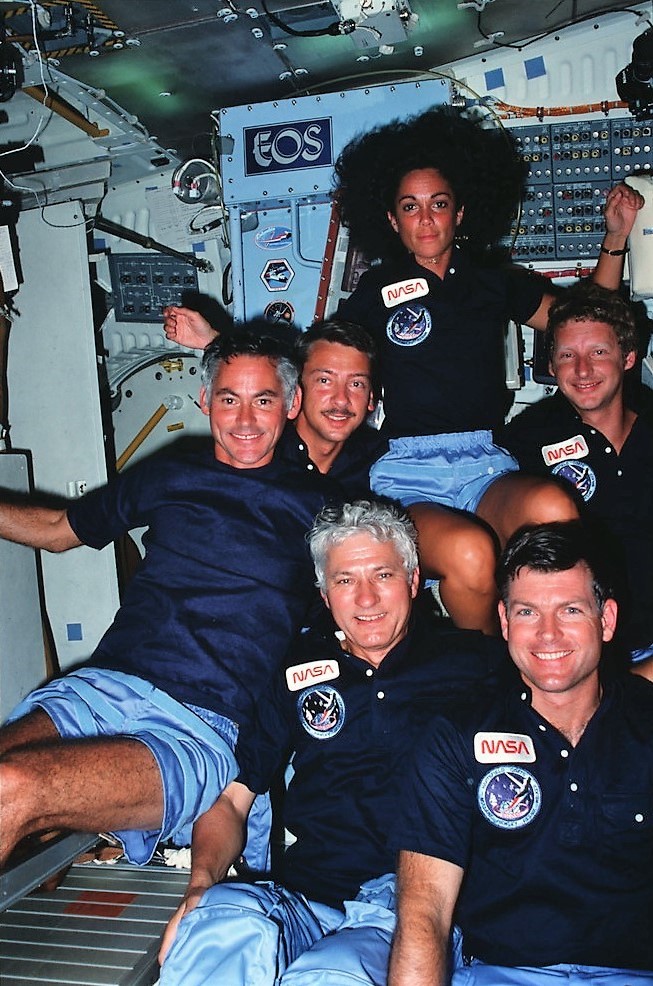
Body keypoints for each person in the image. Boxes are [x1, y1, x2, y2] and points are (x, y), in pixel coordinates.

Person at [0, 326, 329, 871]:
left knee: (13, 786)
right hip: (104, 686)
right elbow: (60, 529)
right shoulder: (174, 471)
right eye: (229, 399)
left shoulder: (320, 508)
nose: (245, 420)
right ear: (205, 401)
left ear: (291, 405)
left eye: (263, 400)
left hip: (200, 723)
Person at [157, 499, 506, 986]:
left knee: (332, 973)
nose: (365, 599)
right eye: (345, 580)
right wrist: (200, 886)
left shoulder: (477, 663)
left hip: (414, 907)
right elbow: (233, 801)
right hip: (304, 899)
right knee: (217, 928)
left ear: (412, 580)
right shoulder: (295, 670)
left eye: (382, 575)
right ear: (324, 594)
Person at [334, 106, 644, 635]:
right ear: (392, 221)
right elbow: (321, 361)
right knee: (472, 554)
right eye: (410, 207)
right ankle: (491, 680)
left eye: (439, 205)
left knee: (552, 507)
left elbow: (583, 323)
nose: (426, 219)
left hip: (485, 462)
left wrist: (614, 237)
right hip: (409, 471)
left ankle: (558, 643)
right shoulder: (375, 294)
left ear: (460, 213)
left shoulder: (492, 283)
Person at [388, 521, 653, 986]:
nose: (548, 635)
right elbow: (424, 913)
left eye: (570, 610)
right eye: (528, 612)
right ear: (505, 622)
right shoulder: (457, 735)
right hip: (501, 975)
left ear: (606, 620)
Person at [502, 280, 653, 660]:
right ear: (552, 366)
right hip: (572, 655)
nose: (582, 369)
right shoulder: (523, 444)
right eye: (568, 356)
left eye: (598, 352)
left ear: (628, 357)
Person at [163, 310, 387, 497]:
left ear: (371, 398)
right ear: (295, 392)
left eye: (356, 384)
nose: (341, 399)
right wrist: (214, 342)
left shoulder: (384, 460)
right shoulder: (257, 446)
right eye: (324, 380)